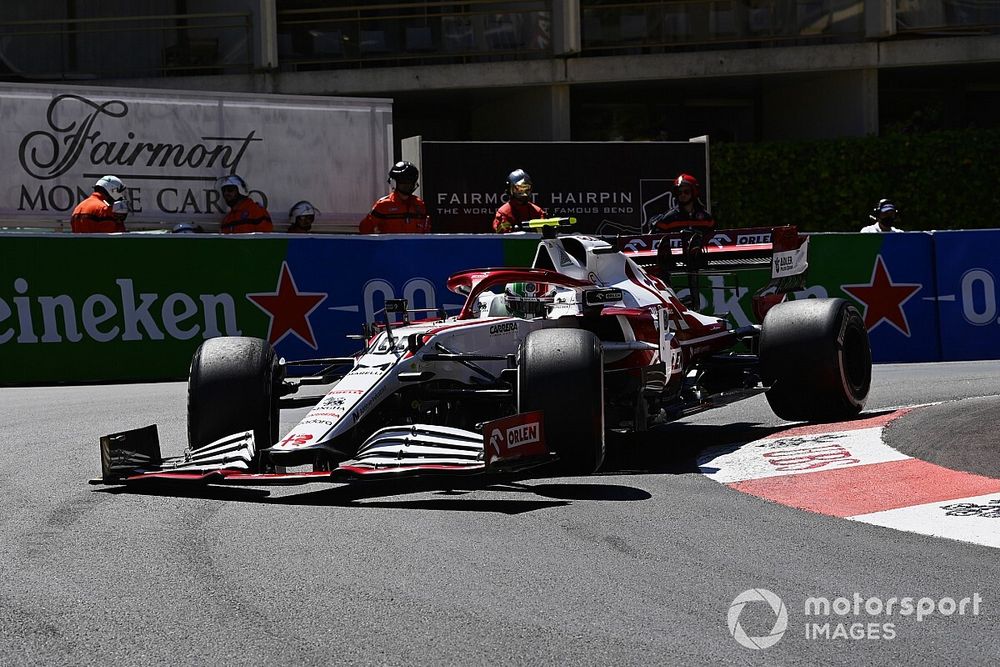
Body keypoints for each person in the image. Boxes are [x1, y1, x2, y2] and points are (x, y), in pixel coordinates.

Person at [359, 161, 431, 234]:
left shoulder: (419, 205)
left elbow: (426, 233)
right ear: (394, 182)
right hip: (390, 245)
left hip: (414, 245)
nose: (407, 185)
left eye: (410, 182)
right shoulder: (383, 205)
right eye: (403, 182)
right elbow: (364, 229)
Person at [493, 169, 546, 233]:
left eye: (526, 188)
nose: (523, 193)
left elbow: (545, 234)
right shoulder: (503, 213)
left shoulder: (538, 211)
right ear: (509, 189)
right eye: (519, 188)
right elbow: (502, 236)